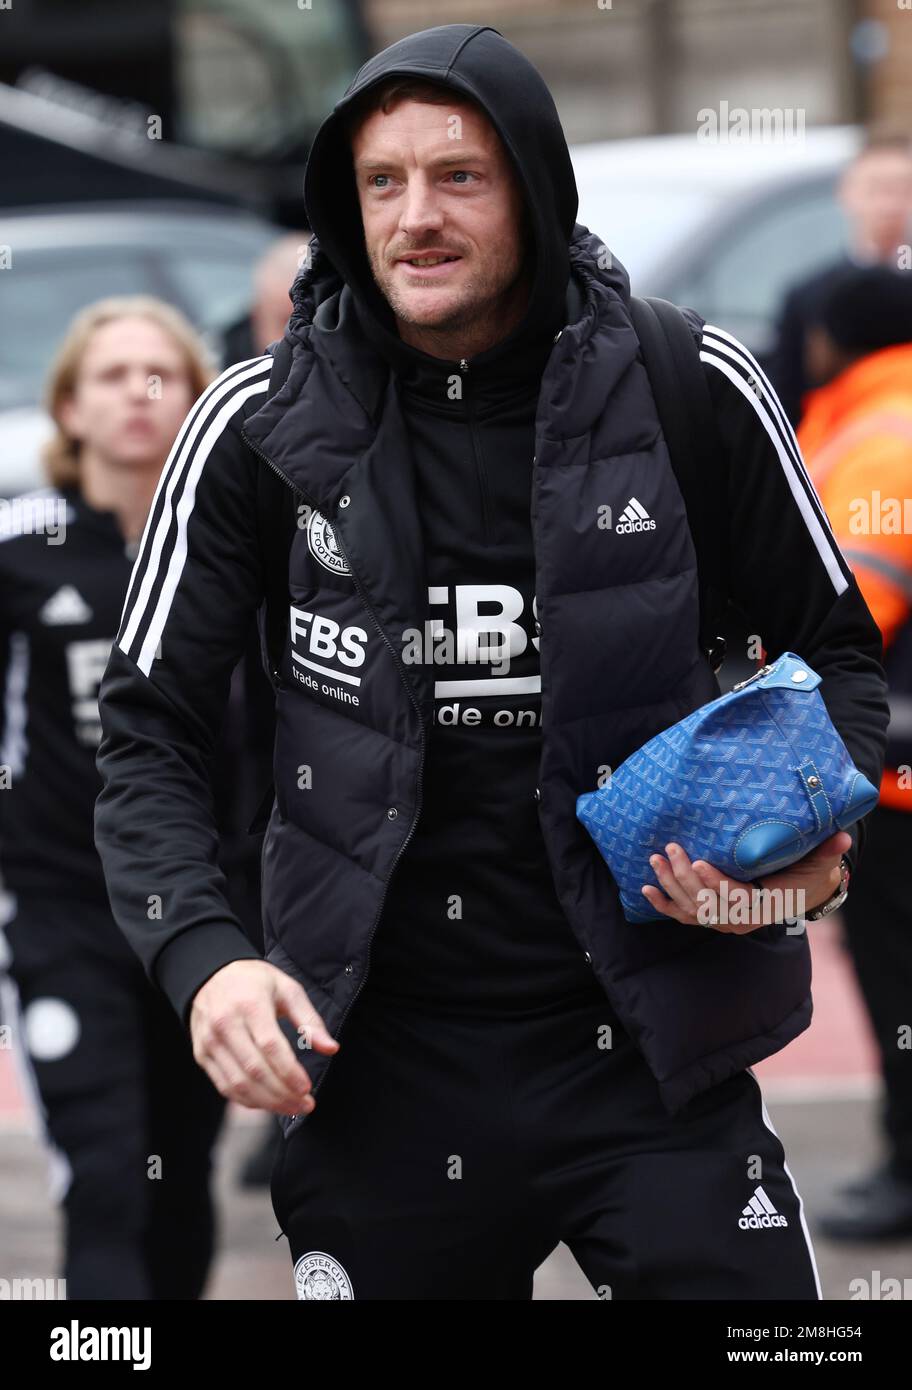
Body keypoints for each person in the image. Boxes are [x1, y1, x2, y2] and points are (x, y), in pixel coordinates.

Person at [94, 24, 889, 1301]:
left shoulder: (693, 382)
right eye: (382, 181)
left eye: (459, 175)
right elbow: (144, 735)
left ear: (534, 183)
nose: (416, 216)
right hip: (377, 1067)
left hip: (648, 1048)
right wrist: (206, 957)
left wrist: (803, 832)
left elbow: (846, 666)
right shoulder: (253, 427)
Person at [0, 297, 227, 1299]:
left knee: (179, 1173)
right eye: (110, 376)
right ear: (69, 409)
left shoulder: (237, 547)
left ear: (194, 399)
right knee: (104, 1176)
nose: (137, 396)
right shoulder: (19, 545)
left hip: (199, 911)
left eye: (160, 375)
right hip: (58, 909)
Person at [795, 265, 912, 1239]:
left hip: (900, 777)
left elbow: (847, 618)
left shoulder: (879, 438)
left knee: (899, 978)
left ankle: (910, 1168)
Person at [768, 130, 912, 428]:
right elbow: (789, 405)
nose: (889, 204)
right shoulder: (808, 296)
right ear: (847, 194)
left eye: (901, 189)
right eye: (876, 189)